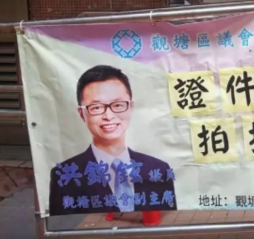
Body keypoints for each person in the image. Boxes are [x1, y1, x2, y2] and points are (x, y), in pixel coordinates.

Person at [48, 65, 177, 215]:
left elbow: (169, 223)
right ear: (82, 114)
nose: (108, 116)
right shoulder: (64, 175)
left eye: (118, 105)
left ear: (131, 107)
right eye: (96, 107)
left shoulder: (158, 169)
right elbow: (63, 228)